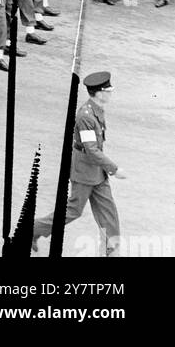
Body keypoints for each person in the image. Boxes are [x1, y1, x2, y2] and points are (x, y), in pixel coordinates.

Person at [32, 71, 123, 256]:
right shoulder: (86, 116)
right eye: (108, 90)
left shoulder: (96, 109)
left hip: (97, 172)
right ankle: (33, 228)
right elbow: (91, 149)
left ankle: (111, 250)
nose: (111, 93)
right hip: (84, 171)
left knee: (109, 212)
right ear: (99, 93)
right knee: (73, 210)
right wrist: (114, 169)